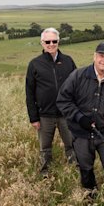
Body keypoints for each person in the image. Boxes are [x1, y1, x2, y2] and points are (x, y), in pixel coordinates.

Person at [56, 42, 104, 195]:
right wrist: (79, 117)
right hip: (81, 134)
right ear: (95, 56)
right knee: (86, 169)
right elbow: (63, 100)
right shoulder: (78, 76)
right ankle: (90, 199)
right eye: (101, 56)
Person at [25, 27, 77, 176]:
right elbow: (29, 92)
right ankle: (45, 173)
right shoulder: (35, 64)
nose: (51, 44)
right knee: (45, 147)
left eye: (54, 41)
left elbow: (77, 86)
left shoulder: (68, 61)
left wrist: (75, 110)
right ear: (42, 43)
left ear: (58, 42)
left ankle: (75, 169)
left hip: (66, 113)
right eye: (47, 41)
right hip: (44, 114)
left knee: (71, 144)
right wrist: (33, 117)